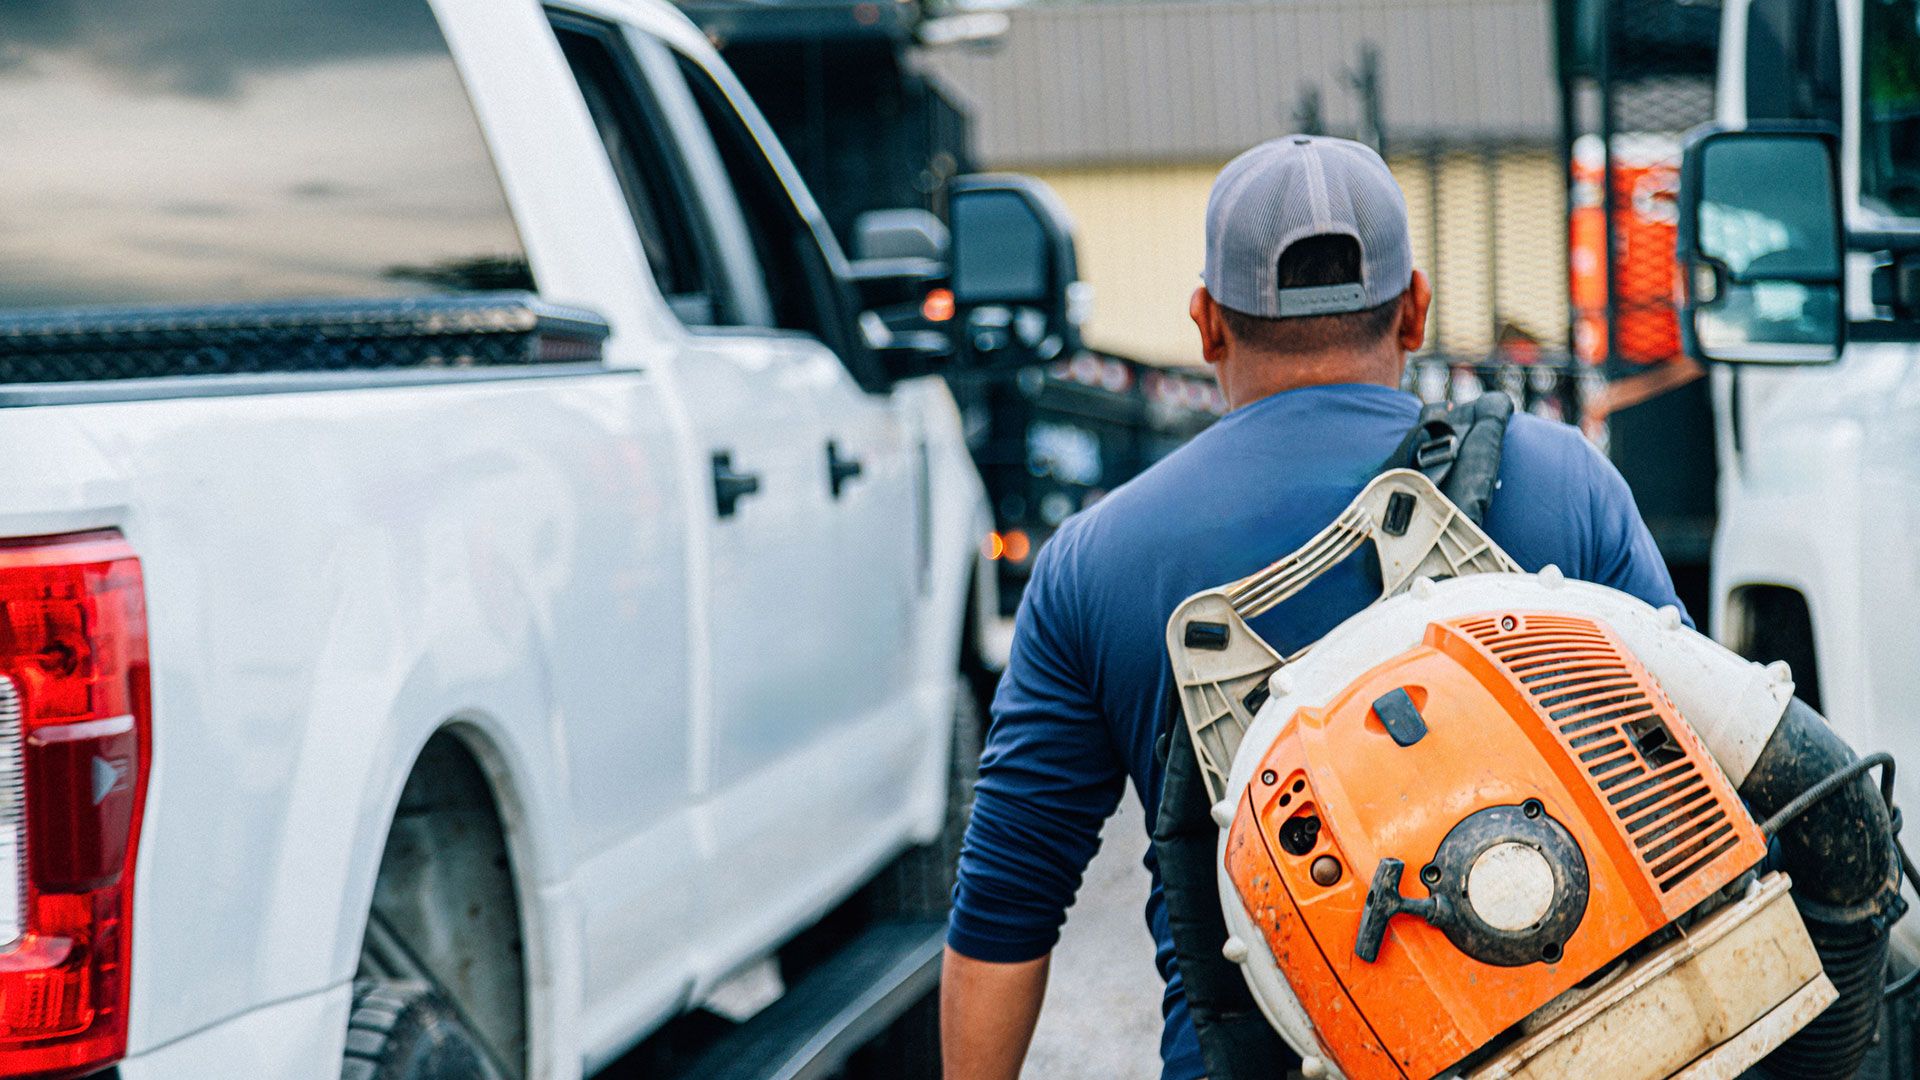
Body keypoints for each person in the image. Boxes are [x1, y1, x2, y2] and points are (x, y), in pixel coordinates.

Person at [939, 135, 1686, 1080]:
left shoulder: (1096, 561)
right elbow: (1700, 769)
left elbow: (1005, 910)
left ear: (1209, 324)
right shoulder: (1564, 483)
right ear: (1415, 309)